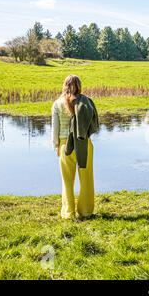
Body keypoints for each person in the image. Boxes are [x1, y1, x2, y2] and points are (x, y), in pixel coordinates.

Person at [51, 75, 99, 219]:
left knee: (67, 180)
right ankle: (85, 211)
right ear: (79, 85)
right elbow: (93, 124)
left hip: (66, 145)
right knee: (86, 179)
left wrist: (56, 146)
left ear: (64, 85)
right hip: (84, 143)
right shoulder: (86, 102)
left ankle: (68, 213)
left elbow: (55, 129)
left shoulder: (57, 104)